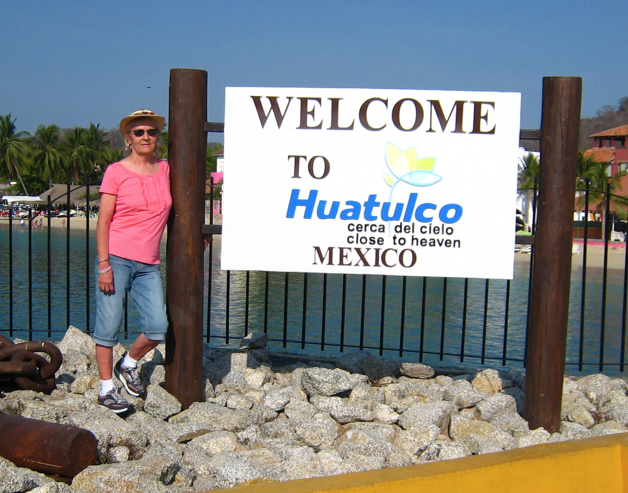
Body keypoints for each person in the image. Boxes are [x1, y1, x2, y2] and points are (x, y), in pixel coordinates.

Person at [94, 109, 171, 414]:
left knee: (157, 326)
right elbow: (103, 222)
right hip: (116, 259)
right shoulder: (116, 171)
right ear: (128, 138)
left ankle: (128, 364)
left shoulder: (165, 169)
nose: (146, 137)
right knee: (108, 327)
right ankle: (106, 390)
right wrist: (104, 265)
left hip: (149, 264)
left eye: (151, 132)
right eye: (138, 132)